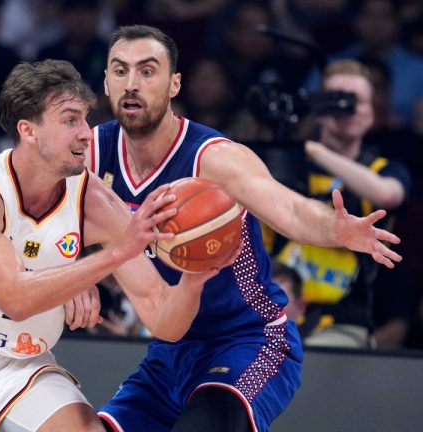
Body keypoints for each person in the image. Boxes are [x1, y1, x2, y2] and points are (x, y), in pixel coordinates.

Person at [0, 59, 237, 432]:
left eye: (86, 119)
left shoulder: (94, 201)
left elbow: (164, 320)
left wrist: (192, 279)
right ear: (29, 130)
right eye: (70, 120)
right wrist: (109, 258)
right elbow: (14, 297)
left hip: (15, 365)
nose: (87, 133)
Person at [88, 25, 402, 432]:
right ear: (107, 84)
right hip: (168, 350)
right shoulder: (91, 154)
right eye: (120, 71)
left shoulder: (214, 157)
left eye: (147, 72)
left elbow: (286, 208)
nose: (132, 84)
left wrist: (334, 228)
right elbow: (36, 214)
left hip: (249, 340)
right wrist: (77, 277)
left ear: (173, 84)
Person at [277, 59, 411, 349]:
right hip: (278, 309)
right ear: (320, 108)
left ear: (371, 113)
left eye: (357, 100)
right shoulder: (290, 165)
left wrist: (312, 149)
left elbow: (387, 195)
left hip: (343, 320)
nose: (347, 107)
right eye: (337, 98)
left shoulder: (384, 168)